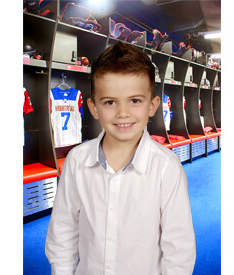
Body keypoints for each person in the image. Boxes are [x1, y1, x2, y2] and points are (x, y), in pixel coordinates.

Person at [45, 41, 196, 274]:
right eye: (110, 102)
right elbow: (63, 233)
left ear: (152, 105)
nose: (122, 113)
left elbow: (179, 250)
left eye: (135, 100)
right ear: (94, 108)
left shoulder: (166, 167)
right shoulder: (76, 162)